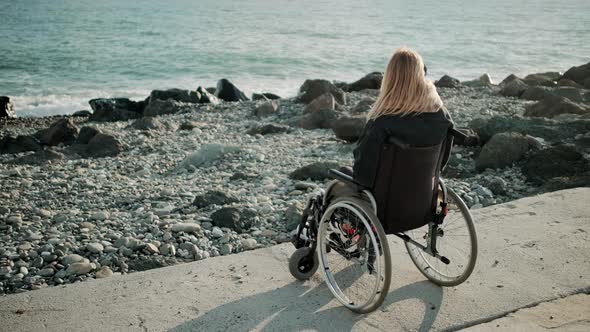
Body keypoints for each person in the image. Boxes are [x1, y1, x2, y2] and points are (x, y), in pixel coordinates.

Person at [332, 48, 454, 201]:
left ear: (390, 78)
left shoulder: (383, 123)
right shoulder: (441, 116)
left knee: (340, 177)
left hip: (386, 202)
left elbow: (364, 172)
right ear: (420, 76)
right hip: (421, 195)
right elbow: (442, 160)